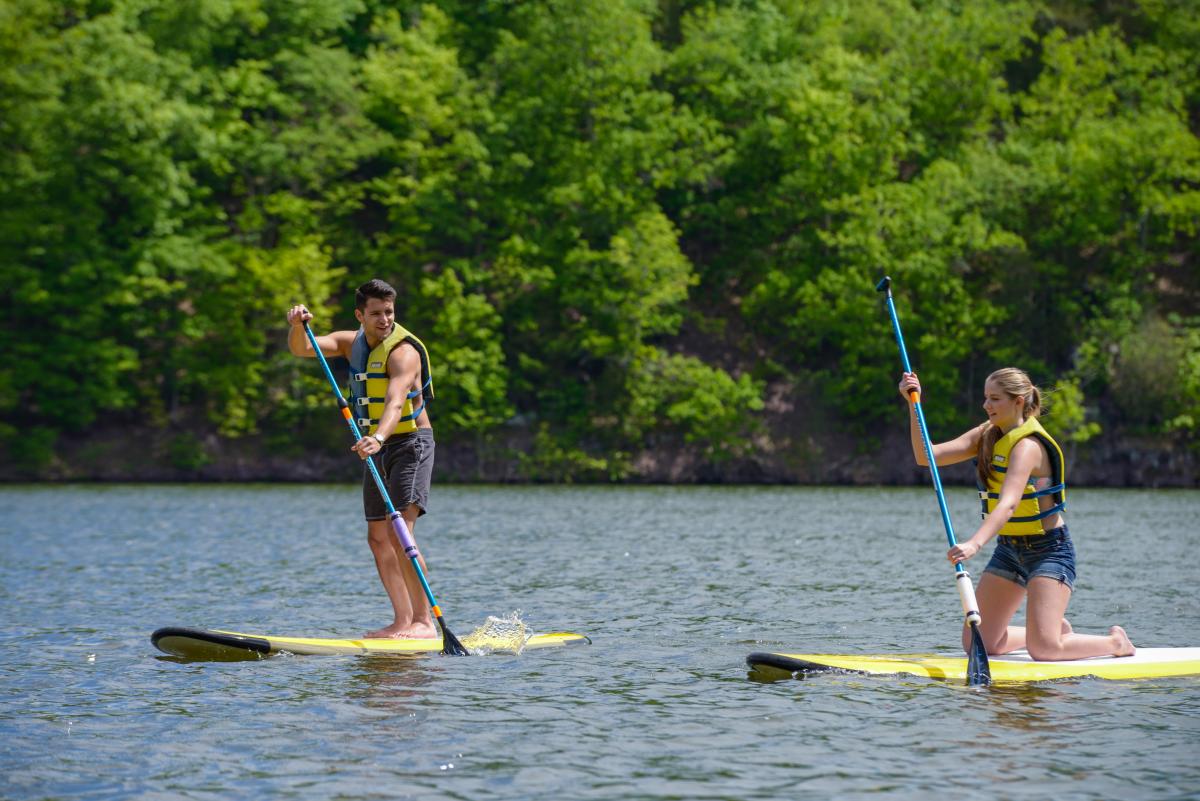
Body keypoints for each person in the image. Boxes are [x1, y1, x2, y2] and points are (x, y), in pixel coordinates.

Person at [898, 367, 1134, 661]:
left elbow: (1009, 503)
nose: (986, 405)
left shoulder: (1028, 446)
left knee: (1043, 651)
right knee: (979, 643)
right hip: (1009, 550)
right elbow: (927, 457)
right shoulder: (987, 434)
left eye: (995, 399)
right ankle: (1050, 631)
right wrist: (912, 403)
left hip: (1049, 551)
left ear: (1019, 401)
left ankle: (1116, 643)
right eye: (985, 398)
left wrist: (974, 544)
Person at [287, 279, 437, 639]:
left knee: (400, 531)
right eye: (376, 313)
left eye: (389, 312)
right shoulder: (348, 342)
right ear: (360, 315)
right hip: (375, 446)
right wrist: (295, 325)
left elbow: (395, 402)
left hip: (409, 443)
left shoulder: (404, 352)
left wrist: (378, 437)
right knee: (377, 537)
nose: (384, 319)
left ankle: (424, 623)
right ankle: (402, 621)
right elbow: (303, 348)